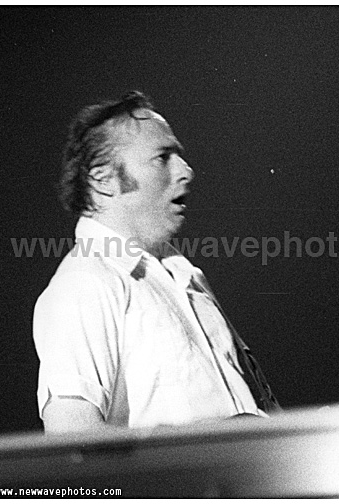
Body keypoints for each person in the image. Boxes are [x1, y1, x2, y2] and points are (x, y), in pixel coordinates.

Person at [33, 91, 279, 433]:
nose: (186, 171)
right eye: (162, 157)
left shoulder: (187, 276)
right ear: (103, 180)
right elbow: (72, 438)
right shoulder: (84, 283)